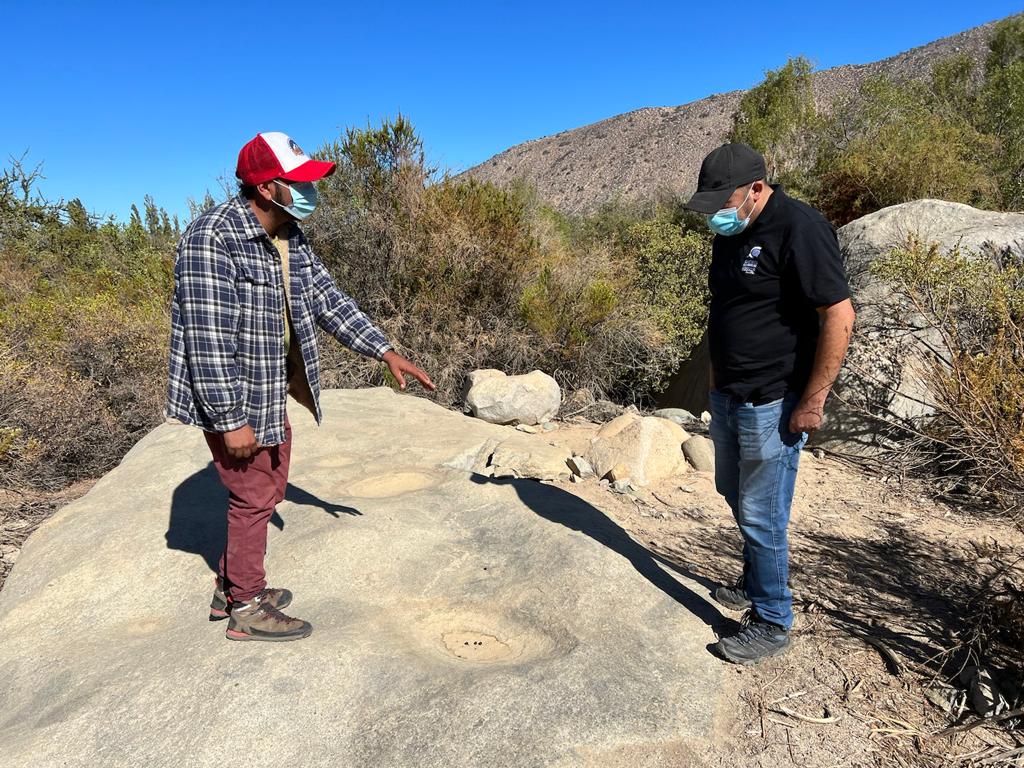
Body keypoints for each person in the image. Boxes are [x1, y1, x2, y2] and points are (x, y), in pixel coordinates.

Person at [166, 132, 434, 642]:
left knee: (270, 485)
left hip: (269, 389)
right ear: (268, 188)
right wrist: (231, 422)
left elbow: (328, 299)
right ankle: (244, 607)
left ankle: (233, 584)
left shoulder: (288, 235)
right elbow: (206, 341)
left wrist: (384, 350)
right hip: (234, 397)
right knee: (252, 495)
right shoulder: (211, 239)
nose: (310, 191)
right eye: (299, 182)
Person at [683, 143, 855, 665]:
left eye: (725, 200)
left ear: (757, 188)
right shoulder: (729, 235)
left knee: (763, 512)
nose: (717, 213)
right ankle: (756, 575)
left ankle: (773, 618)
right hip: (729, 394)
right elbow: (729, 308)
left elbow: (839, 316)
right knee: (731, 489)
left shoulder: (798, 226)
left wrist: (812, 402)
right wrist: (714, 378)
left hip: (773, 400)